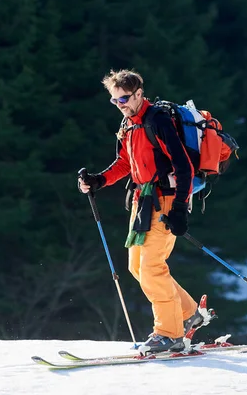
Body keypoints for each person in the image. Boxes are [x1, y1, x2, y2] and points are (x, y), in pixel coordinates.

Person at [78, 69, 213, 354]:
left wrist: (179, 208)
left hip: (164, 200)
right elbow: (125, 162)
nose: (120, 104)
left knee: (152, 268)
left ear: (139, 93)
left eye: (124, 98)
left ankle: (169, 333)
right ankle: (189, 314)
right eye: (115, 101)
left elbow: (184, 167)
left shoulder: (157, 121)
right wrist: (99, 180)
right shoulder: (128, 124)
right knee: (137, 267)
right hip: (142, 201)